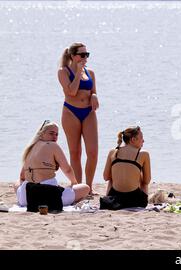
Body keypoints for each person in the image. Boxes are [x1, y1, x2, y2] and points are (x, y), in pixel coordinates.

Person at [14, 120, 90, 207]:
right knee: (85, 188)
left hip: (26, 199)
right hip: (50, 197)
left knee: (17, 183)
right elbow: (67, 169)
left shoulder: (30, 148)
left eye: (56, 134)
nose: (55, 137)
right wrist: (74, 183)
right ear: (41, 134)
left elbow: (22, 176)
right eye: (51, 133)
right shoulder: (53, 146)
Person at [57, 42, 99, 195]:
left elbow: (93, 90)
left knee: (93, 152)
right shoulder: (63, 71)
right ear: (73, 56)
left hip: (88, 113)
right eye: (82, 55)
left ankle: (89, 187)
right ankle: (78, 187)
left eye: (87, 54)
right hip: (71, 112)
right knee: (75, 152)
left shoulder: (90, 73)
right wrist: (78, 71)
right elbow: (71, 92)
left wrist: (94, 95)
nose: (85, 58)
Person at [102, 126, 151, 210]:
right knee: (143, 181)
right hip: (136, 202)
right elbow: (146, 181)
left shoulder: (113, 152)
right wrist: (137, 175)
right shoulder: (143, 154)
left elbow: (106, 177)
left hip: (113, 202)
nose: (143, 141)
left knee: (111, 179)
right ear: (133, 139)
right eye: (141, 138)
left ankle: (109, 197)